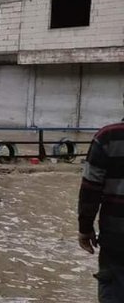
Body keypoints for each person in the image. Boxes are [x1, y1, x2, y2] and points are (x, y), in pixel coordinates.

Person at [78, 96, 124, 302]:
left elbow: (90, 189)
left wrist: (85, 228)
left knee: (113, 289)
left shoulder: (108, 137)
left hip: (117, 238)